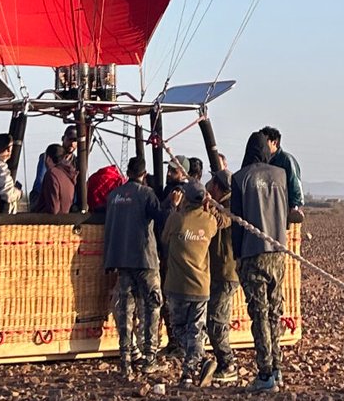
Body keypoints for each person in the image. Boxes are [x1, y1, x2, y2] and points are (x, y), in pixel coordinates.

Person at [230, 132, 290, 392]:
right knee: (275, 312)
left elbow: (237, 223)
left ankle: (264, 374)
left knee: (260, 315)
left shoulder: (240, 178)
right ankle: (276, 369)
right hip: (278, 253)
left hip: (253, 254)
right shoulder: (280, 175)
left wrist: (236, 255)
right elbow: (286, 214)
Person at [102, 156, 163, 381]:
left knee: (125, 310)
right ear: (144, 174)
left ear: (127, 172)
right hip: (145, 258)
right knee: (151, 307)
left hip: (121, 260)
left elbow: (109, 228)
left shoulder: (114, 196)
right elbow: (161, 216)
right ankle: (150, 357)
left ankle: (126, 359)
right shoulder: (146, 194)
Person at [161, 182, 220, 385]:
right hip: (201, 285)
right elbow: (221, 221)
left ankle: (190, 370)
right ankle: (197, 363)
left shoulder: (177, 218)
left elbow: (165, 238)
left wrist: (174, 207)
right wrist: (210, 206)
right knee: (196, 329)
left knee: (178, 328)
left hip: (178, 285)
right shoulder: (209, 221)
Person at [206, 173, 241, 384]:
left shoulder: (229, 206)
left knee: (216, 320)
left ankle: (227, 363)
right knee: (213, 318)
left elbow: (221, 220)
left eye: (210, 184)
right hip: (217, 271)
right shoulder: (221, 203)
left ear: (217, 187)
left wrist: (206, 206)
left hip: (226, 272)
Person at [261, 128, 305, 223]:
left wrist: (294, 207)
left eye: (265, 141)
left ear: (275, 143)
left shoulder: (286, 160)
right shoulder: (262, 160)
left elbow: (295, 184)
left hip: (283, 211)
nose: (262, 145)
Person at [33, 141, 75, 216]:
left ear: (48, 158)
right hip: (66, 220)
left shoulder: (51, 174)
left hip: (51, 224)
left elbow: (53, 209)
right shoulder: (68, 174)